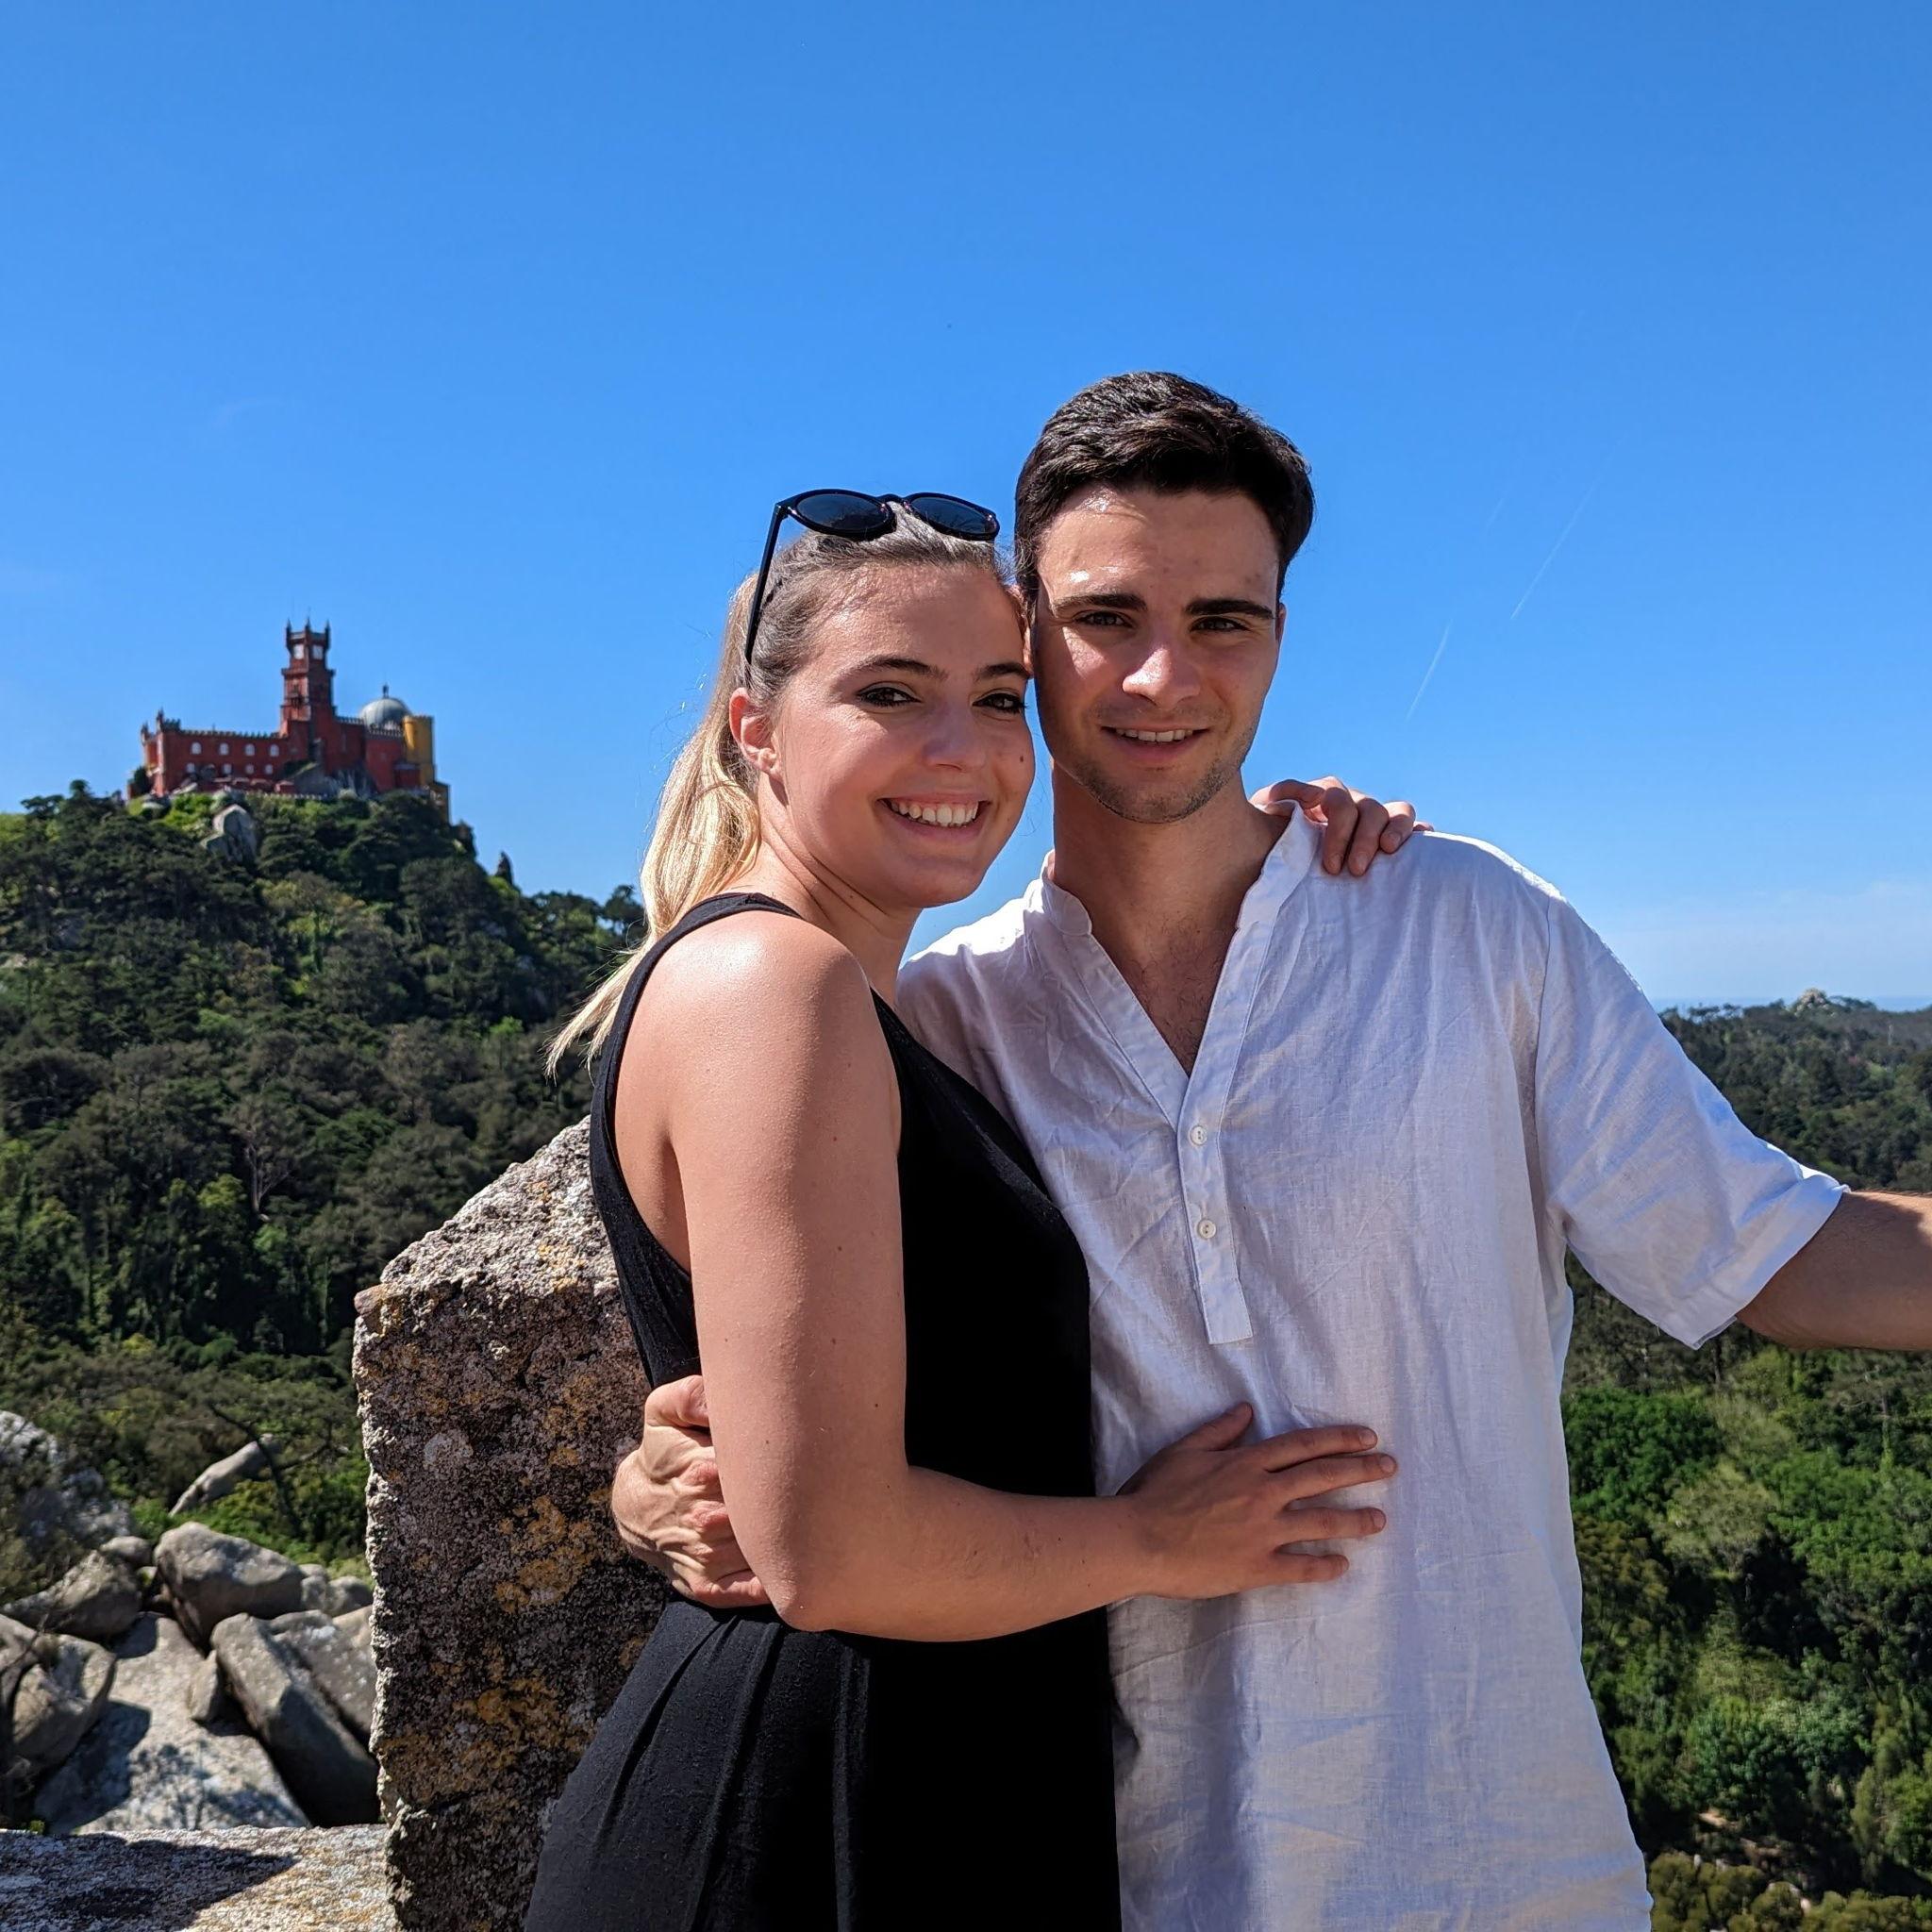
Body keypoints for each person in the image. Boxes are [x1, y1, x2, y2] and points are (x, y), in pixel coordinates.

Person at [616, 373, 1932, 1930]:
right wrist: (648, 1481)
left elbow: (1788, 1249)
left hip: (1496, 1861)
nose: (1167, 673)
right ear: (1027, 628)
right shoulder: (940, 1025)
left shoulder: (1464, 923)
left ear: (1281, 639)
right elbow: (787, 1403)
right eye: (1107, 618)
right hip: (1115, 1866)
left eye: (1225, 619)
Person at [522, 489, 1417, 1932]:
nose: (963, 752)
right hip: (810, 1819)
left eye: (999, 697)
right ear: (756, 728)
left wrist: (1274, 837)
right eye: (890, 694)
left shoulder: (880, 1006)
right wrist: (1160, 1543)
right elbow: (829, 1550)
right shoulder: (781, 989)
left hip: (915, 1788)